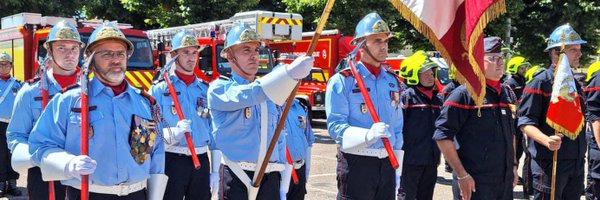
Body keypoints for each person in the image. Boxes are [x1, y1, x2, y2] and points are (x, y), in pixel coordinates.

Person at [28, 23, 167, 200]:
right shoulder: (68, 101)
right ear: (91, 59)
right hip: (89, 194)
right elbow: (40, 145)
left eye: (120, 54)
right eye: (107, 54)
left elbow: (155, 153)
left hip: (137, 194)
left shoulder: (145, 103)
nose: (116, 59)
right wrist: (68, 164)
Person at [207, 22, 313, 200]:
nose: (254, 56)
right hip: (237, 175)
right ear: (230, 57)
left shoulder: (267, 91)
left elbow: (279, 136)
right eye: (246, 50)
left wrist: (283, 183)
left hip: (270, 177)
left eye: (256, 50)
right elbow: (249, 94)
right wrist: (287, 74)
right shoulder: (220, 88)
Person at [326, 12, 404, 200]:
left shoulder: (392, 81)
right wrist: (366, 135)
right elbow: (335, 126)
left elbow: (398, 126)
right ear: (361, 45)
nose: (384, 46)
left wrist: (398, 164)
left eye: (386, 41)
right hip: (356, 162)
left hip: (387, 163)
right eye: (377, 41)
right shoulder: (343, 81)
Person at [434, 36, 518, 200]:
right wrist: (461, 174)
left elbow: (511, 133)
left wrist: (514, 165)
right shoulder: (463, 94)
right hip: (474, 183)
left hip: (503, 182)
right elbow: (443, 136)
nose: (500, 62)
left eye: (501, 57)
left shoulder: (507, 93)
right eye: (493, 58)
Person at [7, 21, 83, 200]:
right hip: (43, 173)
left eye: (74, 48)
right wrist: (39, 156)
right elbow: (16, 136)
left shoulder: (92, 91)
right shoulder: (29, 92)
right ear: (49, 51)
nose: (69, 54)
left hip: (82, 172)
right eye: (62, 48)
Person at [518, 24, 587, 200]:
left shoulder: (574, 85)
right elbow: (525, 122)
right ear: (557, 53)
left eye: (579, 49)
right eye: (573, 50)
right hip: (550, 162)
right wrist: (546, 140)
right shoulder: (540, 83)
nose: (579, 54)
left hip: (576, 162)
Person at [149, 31, 219, 200]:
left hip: (201, 160)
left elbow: (214, 129)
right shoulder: (159, 89)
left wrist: (215, 170)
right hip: (171, 159)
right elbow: (151, 131)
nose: (191, 57)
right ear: (173, 56)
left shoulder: (205, 89)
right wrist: (173, 133)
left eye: (194, 52)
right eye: (185, 52)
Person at [397, 51, 442, 200]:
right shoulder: (406, 96)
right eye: (426, 73)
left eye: (432, 72)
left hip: (431, 160)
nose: (431, 76)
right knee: (407, 196)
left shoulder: (437, 99)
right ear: (413, 74)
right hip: (411, 159)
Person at [0, 52, 22, 197]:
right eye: (0, 64)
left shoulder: (18, 84)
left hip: (14, 124)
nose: (3, 67)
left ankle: (12, 183)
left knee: (13, 154)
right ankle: (1, 184)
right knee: (0, 155)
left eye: (6, 64)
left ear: (11, 66)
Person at [284, 99, 315, 200]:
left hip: (299, 169)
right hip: (280, 170)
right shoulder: (271, 105)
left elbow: (308, 139)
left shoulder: (300, 107)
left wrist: (306, 173)